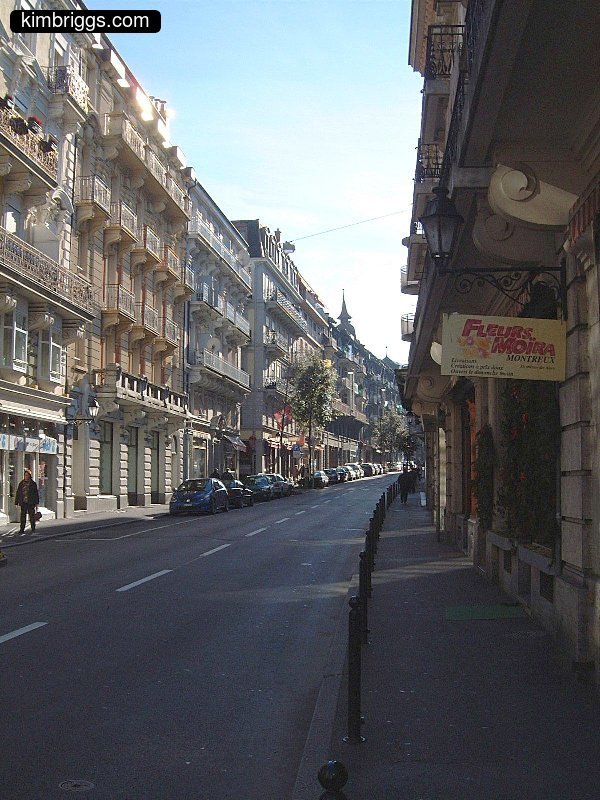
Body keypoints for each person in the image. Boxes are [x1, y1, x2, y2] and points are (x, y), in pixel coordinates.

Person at [15, 469, 40, 534]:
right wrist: (16, 502)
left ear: (29, 476)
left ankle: (33, 528)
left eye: (27, 475)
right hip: (23, 502)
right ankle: (22, 529)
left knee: (31, 516)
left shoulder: (33, 484)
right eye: (25, 475)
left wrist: (36, 503)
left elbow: (36, 493)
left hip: (31, 502)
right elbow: (18, 493)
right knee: (23, 517)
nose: (26, 476)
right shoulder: (21, 483)